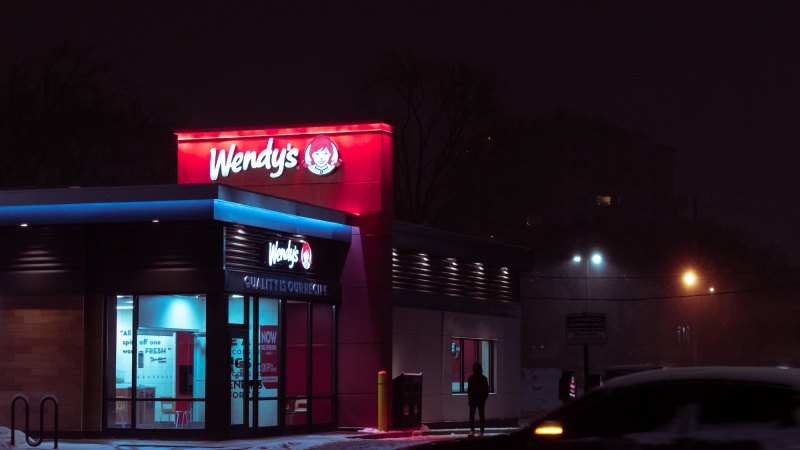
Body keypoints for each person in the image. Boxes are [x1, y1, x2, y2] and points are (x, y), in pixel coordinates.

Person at [467, 362, 490, 436]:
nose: (475, 370)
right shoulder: (479, 378)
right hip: (475, 399)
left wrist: (484, 398)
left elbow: (486, 390)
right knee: (475, 415)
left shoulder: (478, 378)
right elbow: (469, 390)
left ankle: (479, 431)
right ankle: (474, 431)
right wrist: (470, 399)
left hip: (479, 399)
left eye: (476, 368)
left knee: (478, 415)